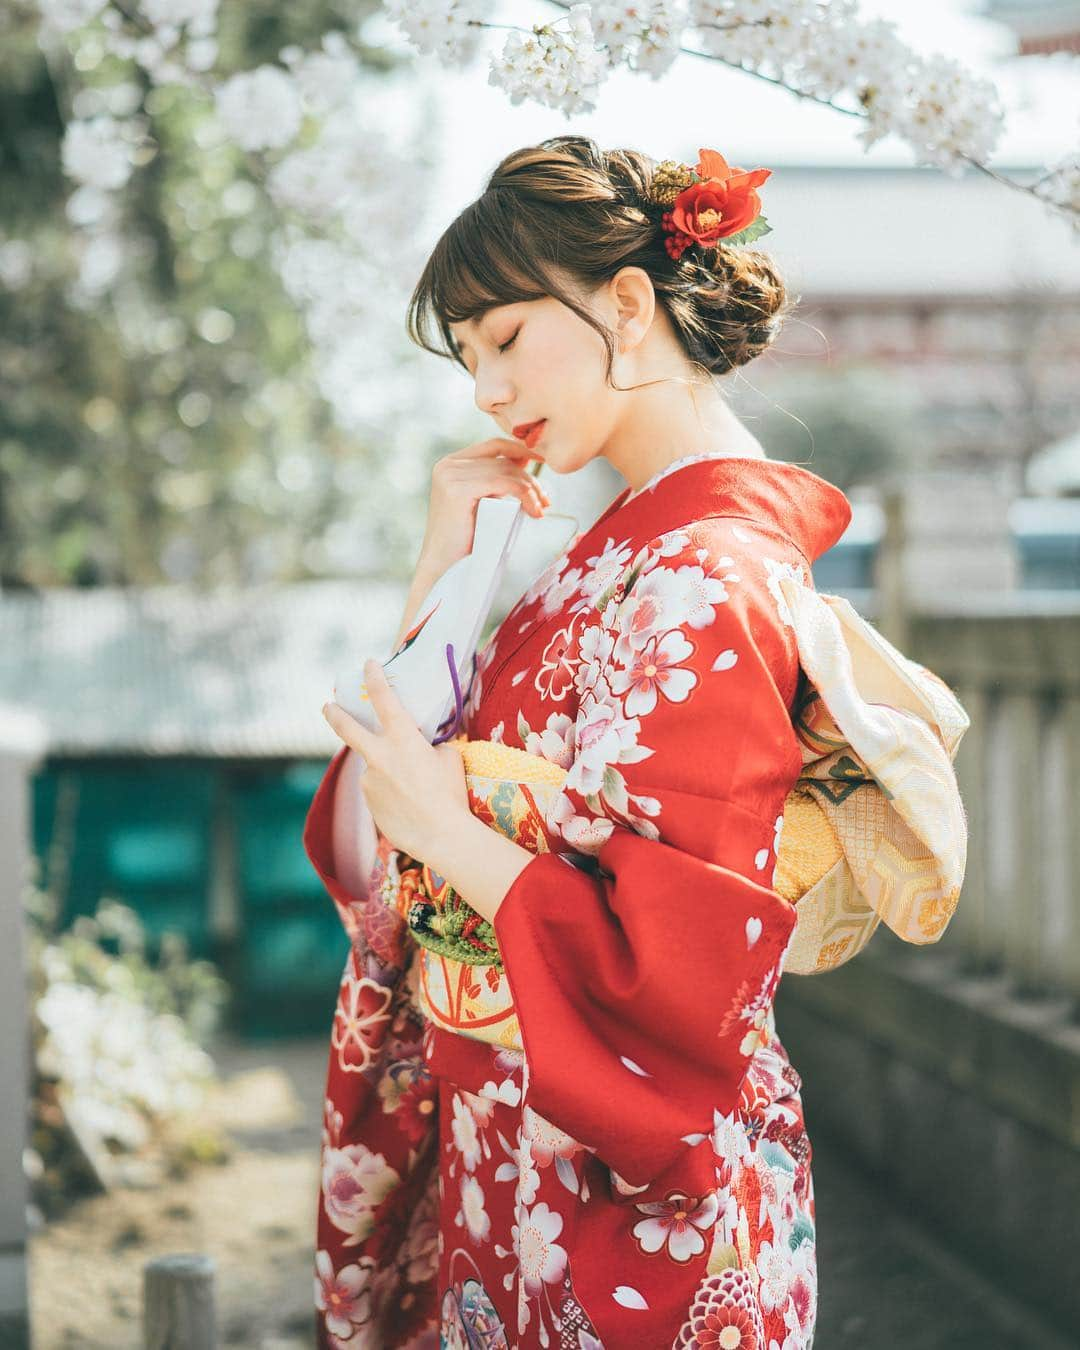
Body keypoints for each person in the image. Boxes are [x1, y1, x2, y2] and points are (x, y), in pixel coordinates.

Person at [304, 135, 855, 1349]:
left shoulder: (708, 573)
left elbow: (678, 965)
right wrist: (443, 572)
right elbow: (391, 789)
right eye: (469, 360)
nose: (487, 390)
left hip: (629, 1179)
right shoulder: (607, 558)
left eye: (504, 338)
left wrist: (444, 829)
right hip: (519, 1131)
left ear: (627, 301)